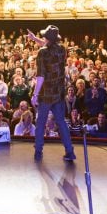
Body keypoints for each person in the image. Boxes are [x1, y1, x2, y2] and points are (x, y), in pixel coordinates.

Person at [28, 25, 75, 162]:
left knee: (41, 122)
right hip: (59, 93)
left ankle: (38, 150)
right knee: (61, 122)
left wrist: (35, 94)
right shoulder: (62, 49)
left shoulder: (42, 53)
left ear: (47, 38)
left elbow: (40, 76)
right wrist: (34, 39)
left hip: (46, 94)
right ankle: (70, 151)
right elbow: (49, 47)